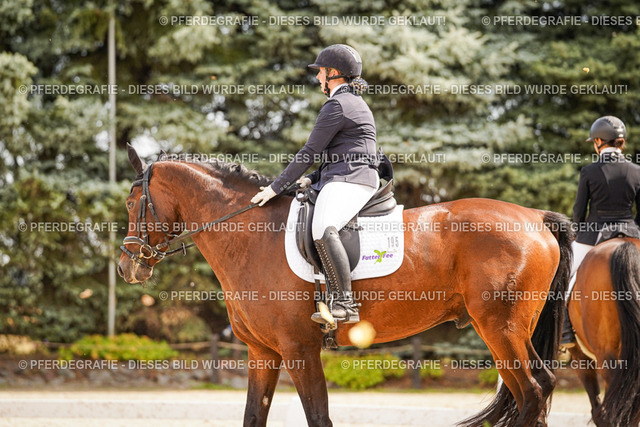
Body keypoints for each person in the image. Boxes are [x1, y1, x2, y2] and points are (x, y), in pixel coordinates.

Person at [251, 44, 379, 324]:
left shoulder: (338, 105)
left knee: (322, 226)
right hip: (347, 173)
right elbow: (341, 153)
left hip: (353, 178)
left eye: (321, 72)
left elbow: (309, 152)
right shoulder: (348, 102)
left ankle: (345, 303)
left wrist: (275, 188)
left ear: (333, 73)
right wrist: (312, 178)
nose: (318, 77)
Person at [562, 115, 640, 346]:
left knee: (564, 276)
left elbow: (579, 210)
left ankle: (565, 331)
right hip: (631, 231)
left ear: (598, 141)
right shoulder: (636, 171)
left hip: (594, 234)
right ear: (621, 142)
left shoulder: (589, 171)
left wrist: (577, 232)